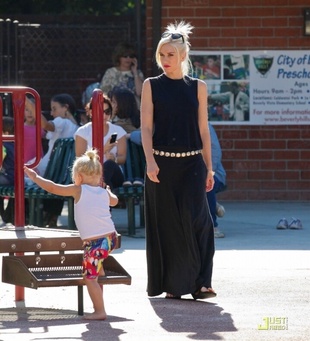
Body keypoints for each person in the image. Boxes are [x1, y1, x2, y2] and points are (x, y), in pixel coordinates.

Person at [140, 21, 216, 300]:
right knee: (169, 226)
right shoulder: (151, 85)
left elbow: (203, 129)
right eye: (162, 54)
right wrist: (149, 161)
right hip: (161, 165)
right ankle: (175, 285)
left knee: (199, 222)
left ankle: (202, 283)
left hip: (193, 165)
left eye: (171, 54)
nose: (165, 60)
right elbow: (146, 128)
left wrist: (210, 167)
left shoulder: (199, 86)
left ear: (183, 55)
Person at [24, 148, 119, 320]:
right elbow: (115, 201)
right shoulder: (103, 192)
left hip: (96, 243)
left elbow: (53, 187)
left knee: (89, 279)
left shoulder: (78, 189)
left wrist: (35, 177)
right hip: (111, 239)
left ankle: (99, 311)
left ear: (79, 177)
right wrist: (109, 190)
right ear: (98, 176)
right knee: (95, 259)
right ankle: (100, 268)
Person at [38, 93, 79, 227]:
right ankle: (51, 218)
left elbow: (46, 125)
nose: (51, 112)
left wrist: (30, 104)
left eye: (54, 108)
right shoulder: (78, 127)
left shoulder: (62, 121)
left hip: (47, 170)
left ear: (65, 108)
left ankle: (36, 217)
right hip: (63, 173)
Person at [74, 94, 127, 190]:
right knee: (106, 182)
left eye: (107, 112)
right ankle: (105, 196)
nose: (104, 115)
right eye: (100, 112)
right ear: (91, 112)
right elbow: (80, 161)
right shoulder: (83, 132)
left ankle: (95, 192)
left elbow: (122, 158)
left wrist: (114, 159)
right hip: (89, 174)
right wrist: (104, 149)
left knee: (109, 165)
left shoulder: (118, 131)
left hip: (114, 175)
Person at [207, 123, 227, 238]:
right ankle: (212, 205)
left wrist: (209, 172)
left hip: (214, 174)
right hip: (188, 175)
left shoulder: (204, 125)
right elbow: (145, 135)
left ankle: (212, 227)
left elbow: (215, 152)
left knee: (205, 184)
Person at [24, 95, 46, 164]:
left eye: (32, 111)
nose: (30, 113)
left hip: (38, 160)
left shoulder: (41, 127)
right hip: (24, 160)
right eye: (27, 110)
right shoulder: (20, 128)